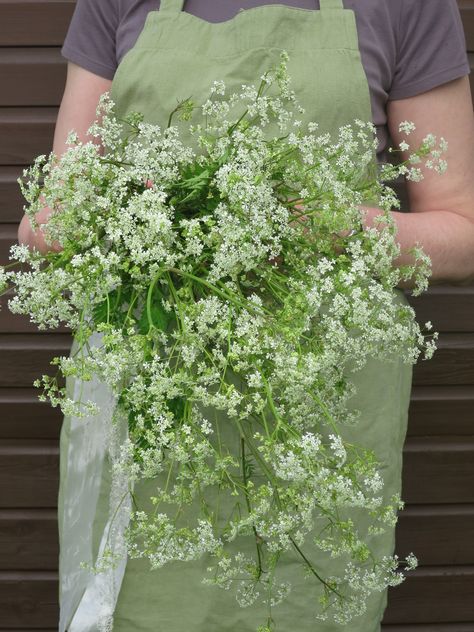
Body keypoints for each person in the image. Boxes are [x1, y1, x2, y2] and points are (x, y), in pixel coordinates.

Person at [17, 1, 474, 630]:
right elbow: (49, 217)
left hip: (321, 426)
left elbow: (461, 228)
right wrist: (154, 219)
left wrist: (321, 225)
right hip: (156, 421)